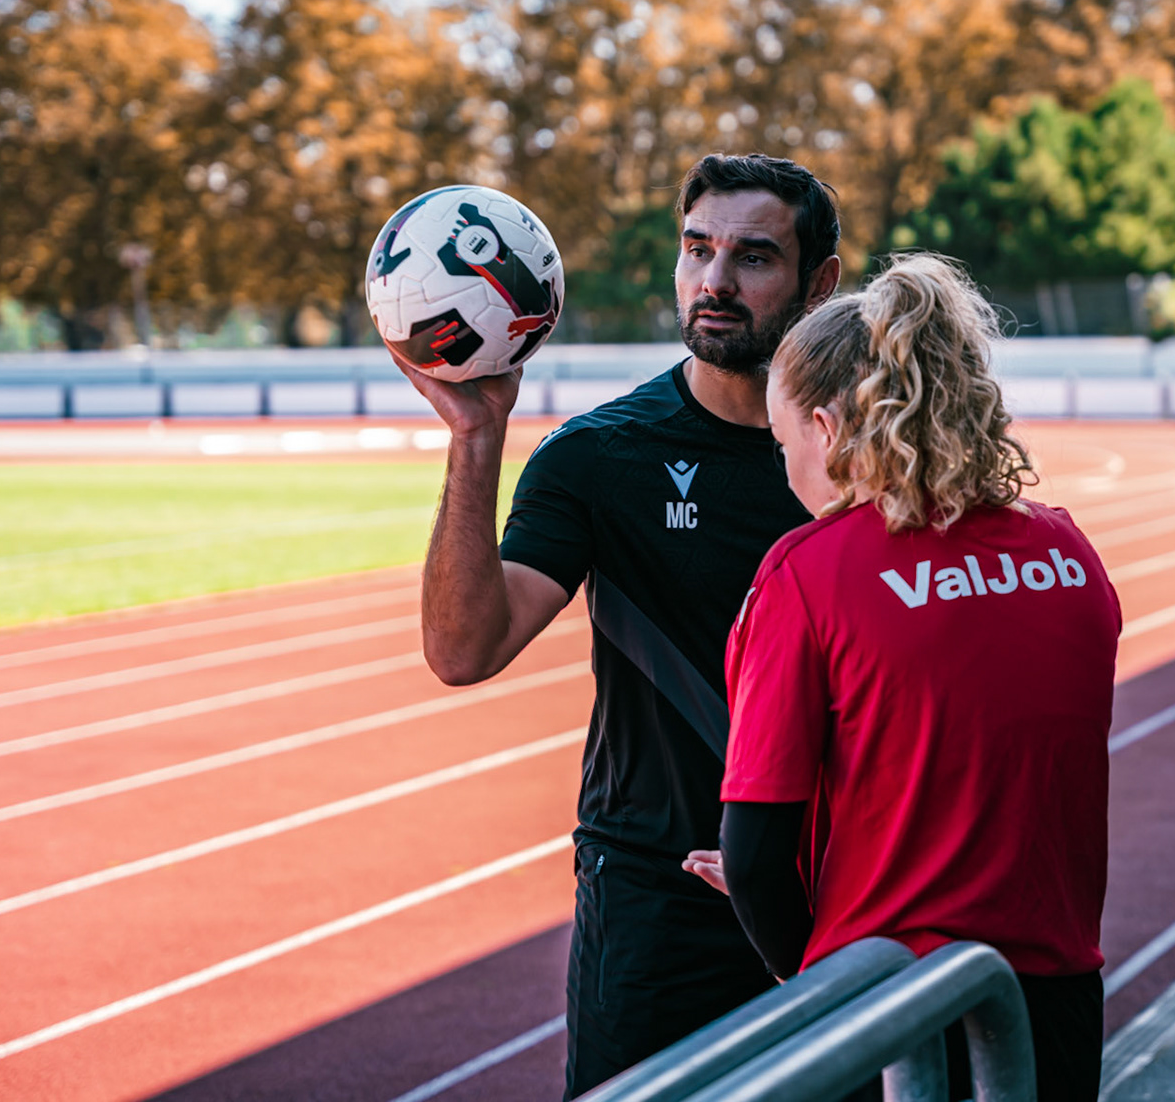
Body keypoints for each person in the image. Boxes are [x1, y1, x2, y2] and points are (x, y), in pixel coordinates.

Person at [393, 154, 842, 1098]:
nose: (714, 281)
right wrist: (476, 441)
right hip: (654, 899)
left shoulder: (863, 461)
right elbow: (461, 650)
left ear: (819, 284)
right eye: (697, 250)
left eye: (753, 257)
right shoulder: (601, 456)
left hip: (832, 888)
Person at [683, 253, 1121, 1100]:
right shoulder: (1066, 550)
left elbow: (759, 847)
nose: (786, 471)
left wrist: (803, 972)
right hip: (1055, 1000)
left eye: (783, 444)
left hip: (888, 1011)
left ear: (828, 430)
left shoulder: (806, 574)